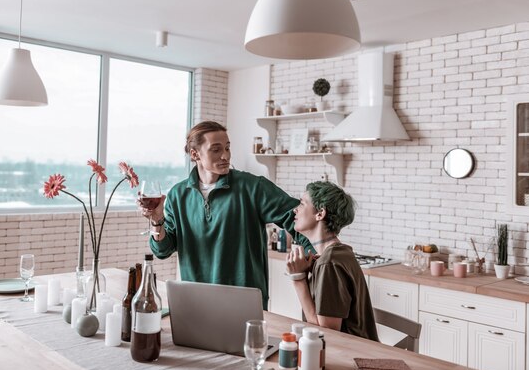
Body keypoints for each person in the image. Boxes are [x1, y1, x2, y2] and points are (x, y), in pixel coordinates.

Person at [140, 120, 314, 309]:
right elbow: (163, 250)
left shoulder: (253, 187)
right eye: (216, 149)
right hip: (196, 301)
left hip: (245, 302)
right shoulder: (177, 195)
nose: (225, 155)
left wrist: (318, 259)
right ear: (194, 154)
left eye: (227, 148)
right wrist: (157, 220)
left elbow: (301, 218)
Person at [286, 181, 379, 341]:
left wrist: (298, 279)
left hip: (350, 355)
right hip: (355, 350)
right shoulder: (340, 252)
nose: (295, 209)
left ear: (320, 213)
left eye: (302, 204)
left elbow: (326, 333)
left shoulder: (329, 263)